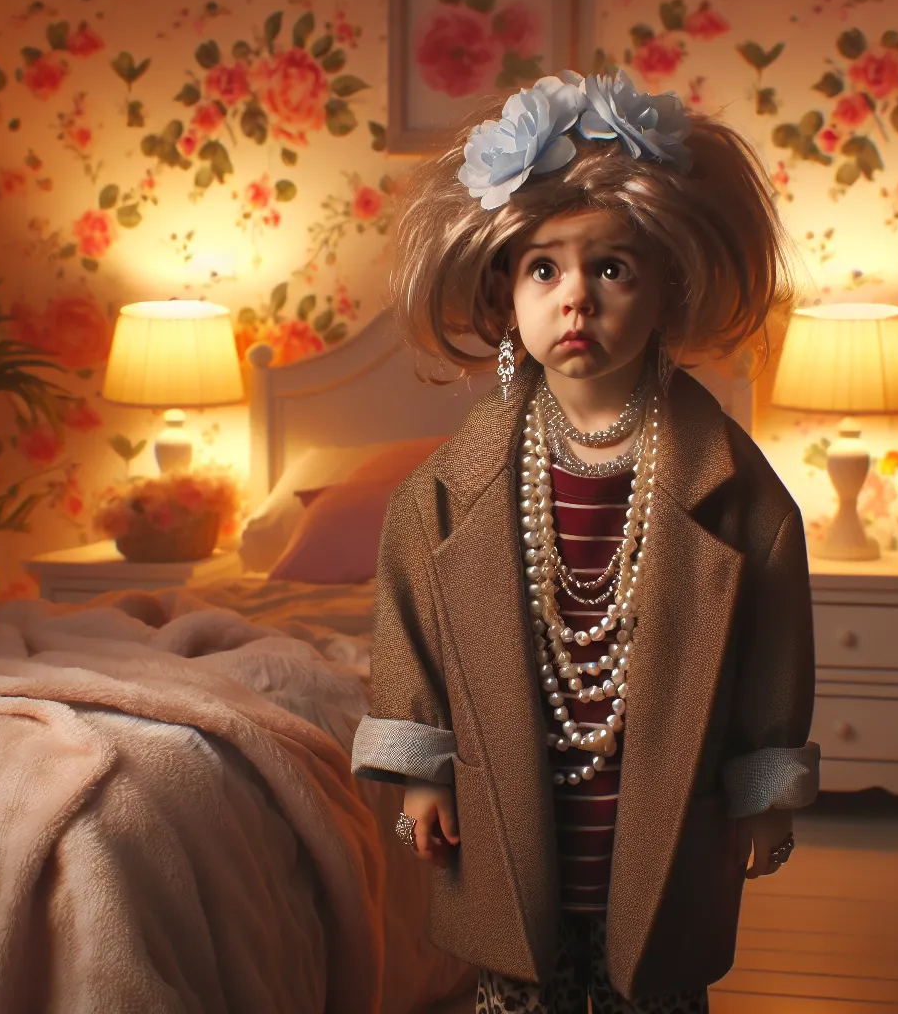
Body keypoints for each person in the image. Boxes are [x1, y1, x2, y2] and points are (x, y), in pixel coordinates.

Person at [351, 68, 820, 1014]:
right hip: (513, 813)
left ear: (666, 294)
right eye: (543, 268)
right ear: (501, 295)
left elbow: (773, 637)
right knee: (517, 979)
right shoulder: (444, 493)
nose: (577, 299)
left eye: (612, 268)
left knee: (654, 977)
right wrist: (421, 772)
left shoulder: (733, 491)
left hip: (661, 813)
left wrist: (764, 780)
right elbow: (413, 628)